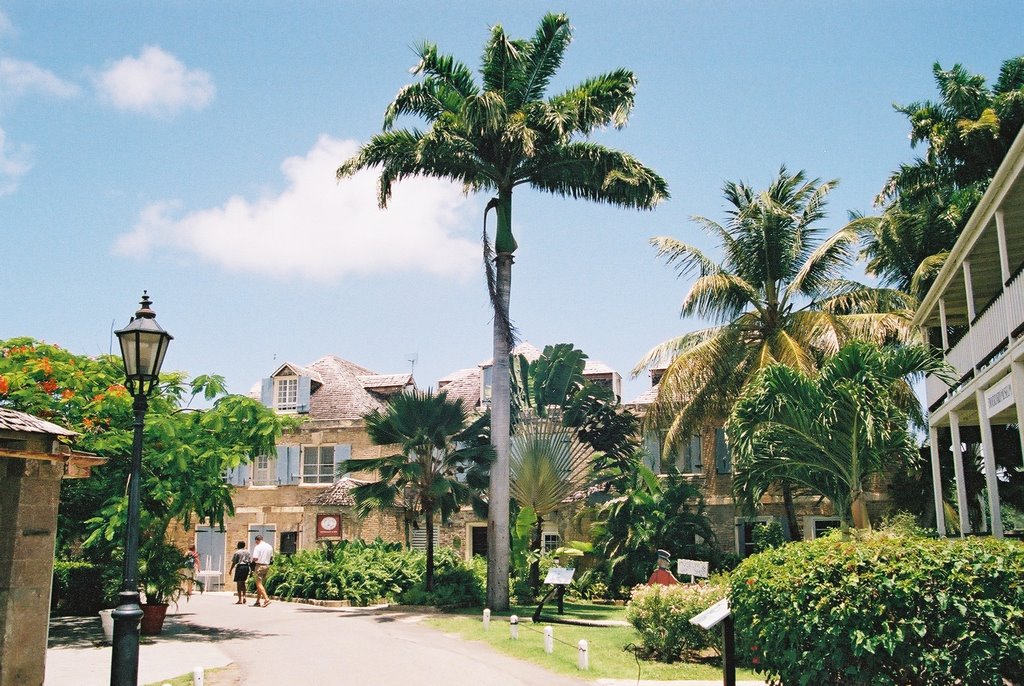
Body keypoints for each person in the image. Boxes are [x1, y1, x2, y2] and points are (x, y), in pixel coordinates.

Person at [250, 535, 273, 607]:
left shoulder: (258, 547)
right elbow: (271, 557)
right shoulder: (269, 546)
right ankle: (257, 601)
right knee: (261, 584)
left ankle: (266, 599)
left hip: (259, 566)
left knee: (258, 583)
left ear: (257, 540)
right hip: (266, 566)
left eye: (256, 541)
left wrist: (252, 561)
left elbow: (255, 558)